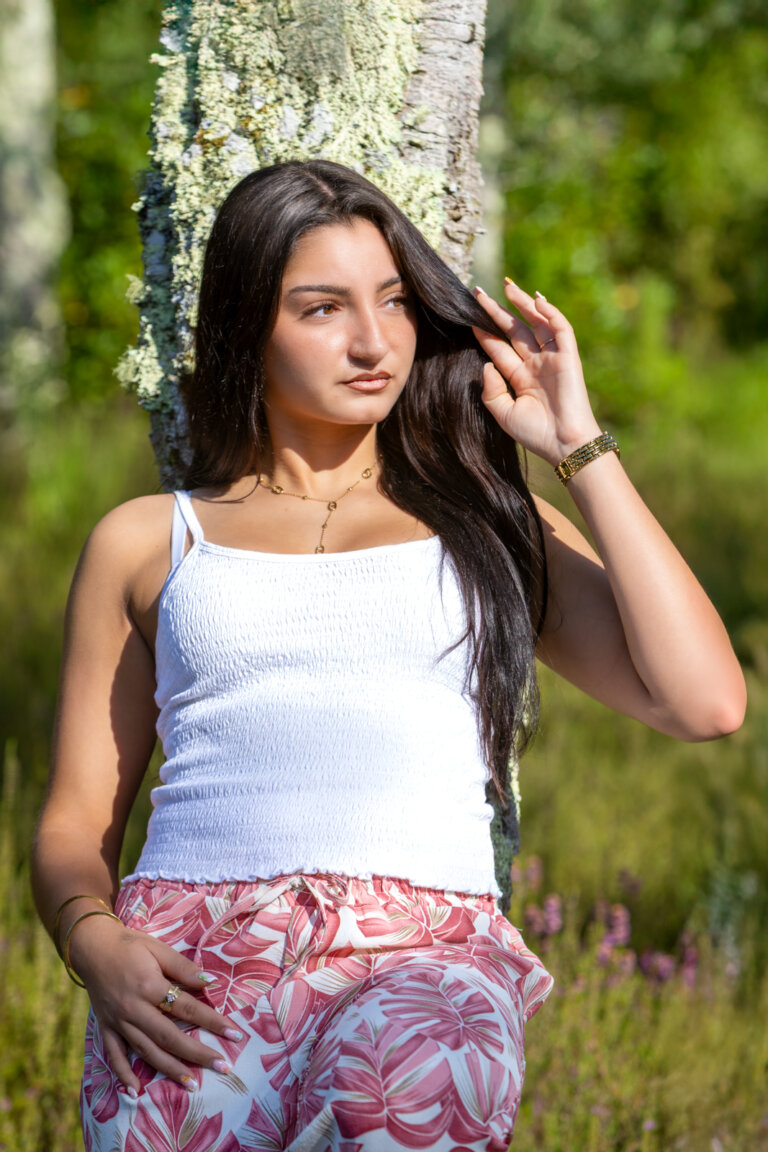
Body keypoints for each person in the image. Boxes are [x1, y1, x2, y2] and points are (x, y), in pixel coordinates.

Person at [32, 159, 746, 1152]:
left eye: (397, 303)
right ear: (247, 326)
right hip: (186, 965)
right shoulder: (150, 541)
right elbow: (73, 824)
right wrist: (93, 942)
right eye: (323, 309)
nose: (375, 342)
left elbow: (705, 701)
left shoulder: (488, 526)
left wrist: (576, 444)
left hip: (422, 958)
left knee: (404, 1088)